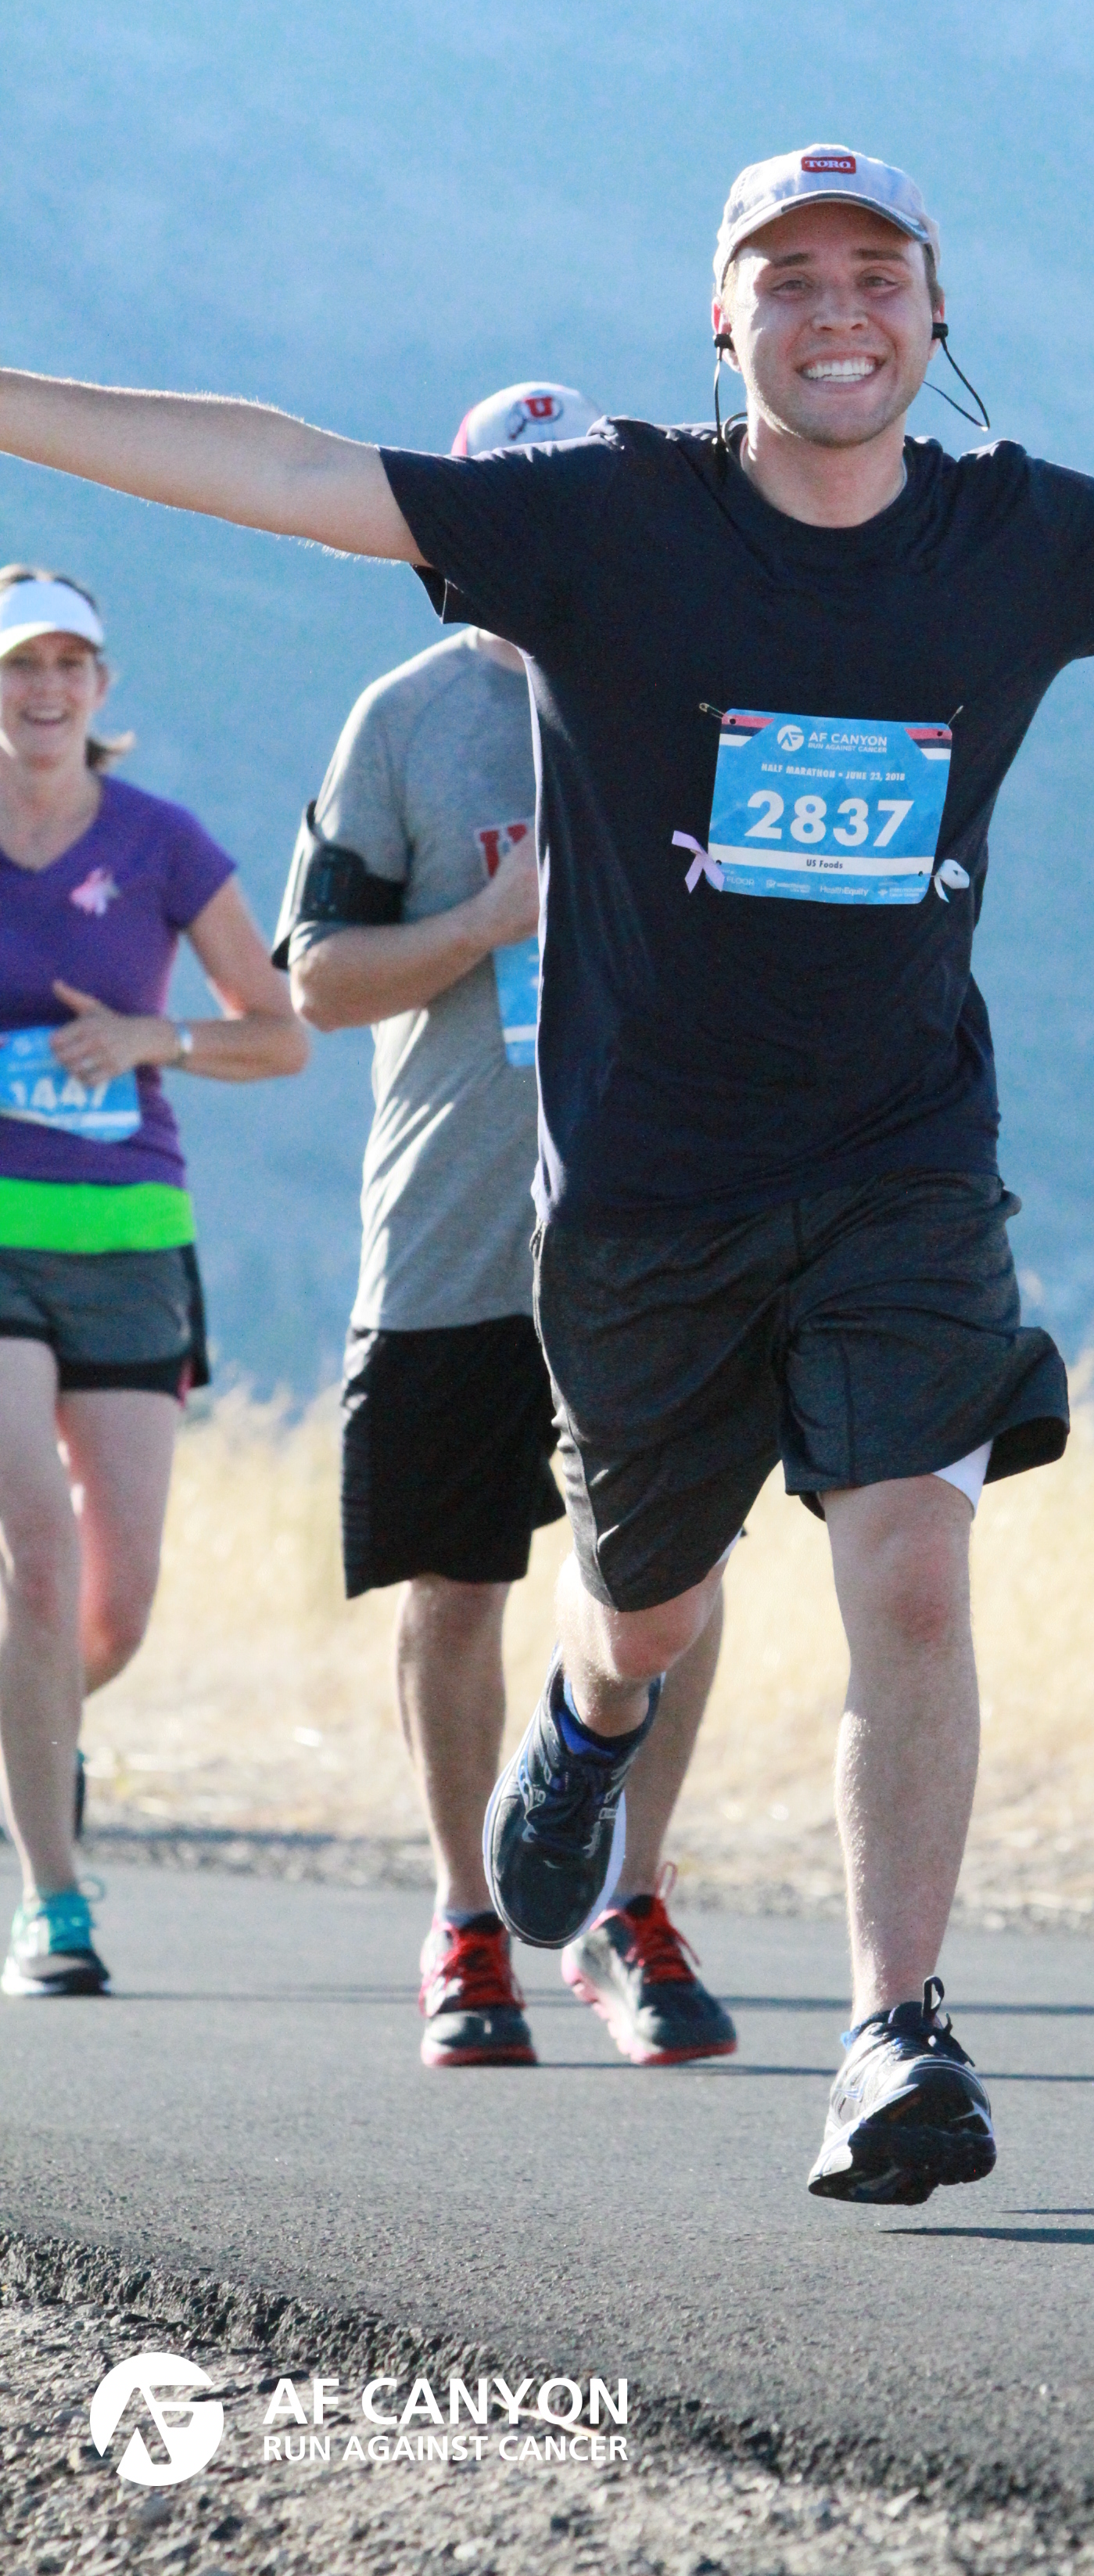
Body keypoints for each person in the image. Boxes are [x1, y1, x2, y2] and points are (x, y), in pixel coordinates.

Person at [0, 148, 1094, 2193]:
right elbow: (290, 469)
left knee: (915, 1567)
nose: (835, 310)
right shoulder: (600, 519)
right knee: (648, 1613)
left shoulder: (1012, 534)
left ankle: (891, 2032)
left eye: (875, 273)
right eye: (789, 276)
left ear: (934, 316)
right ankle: (583, 1730)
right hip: (647, 1193)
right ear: (723, 319)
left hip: (903, 1158)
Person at [280, 382, 737, 2072]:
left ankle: (628, 1899)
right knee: (459, 1580)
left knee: (671, 1578)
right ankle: (468, 1917)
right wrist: (488, 918)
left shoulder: (686, 682)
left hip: (654, 1210)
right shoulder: (405, 719)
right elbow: (318, 980)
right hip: (455, 1221)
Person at [0, 565, 308, 1997]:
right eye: (20, 664)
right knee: (39, 1555)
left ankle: (32, 1728)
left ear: (102, 689)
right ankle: (55, 1903)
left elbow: (281, 1034)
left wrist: (151, 1039)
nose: (44, 687)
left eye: (69, 664)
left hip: (130, 1240)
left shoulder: (161, 840)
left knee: (112, 1612)